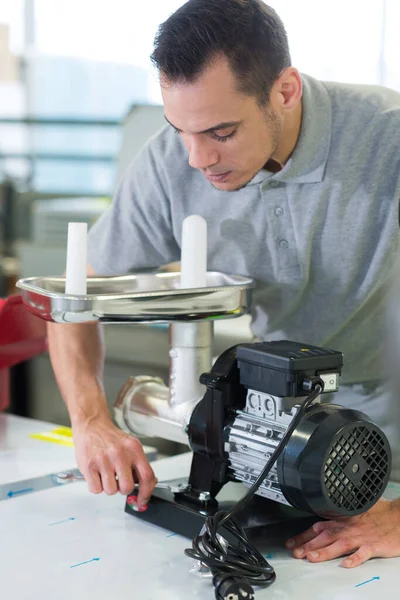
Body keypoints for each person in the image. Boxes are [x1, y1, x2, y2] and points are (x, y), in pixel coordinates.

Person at [47, 0, 400, 568]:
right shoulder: (172, 161)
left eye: (222, 131)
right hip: (276, 445)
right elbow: (77, 299)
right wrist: (90, 421)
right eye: (180, 129)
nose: (197, 159)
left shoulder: (387, 137)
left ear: (284, 91)